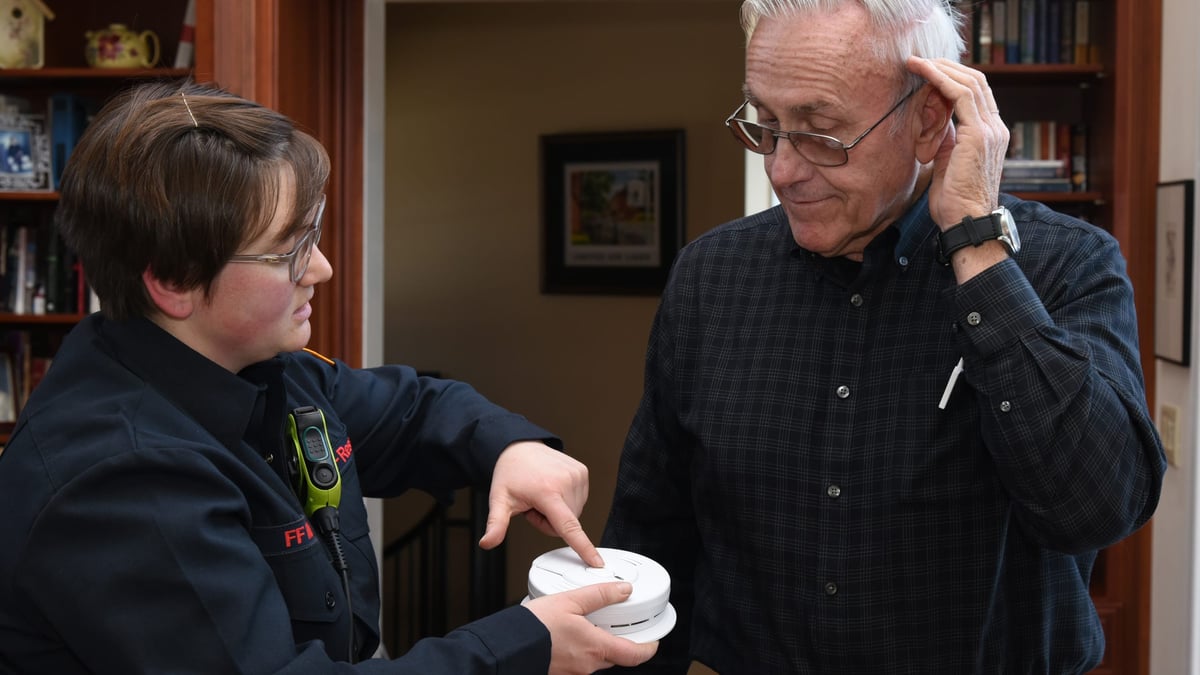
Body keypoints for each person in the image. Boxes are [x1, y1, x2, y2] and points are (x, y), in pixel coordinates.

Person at [0, 79, 657, 674]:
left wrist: (508, 446)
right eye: (291, 250)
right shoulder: (122, 483)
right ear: (174, 281)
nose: (322, 269)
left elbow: (413, 411)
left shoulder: (257, 367)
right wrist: (525, 644)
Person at [601, 1, 1166, 673]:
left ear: (929, 120)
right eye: (767, 125)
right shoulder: (709, 278)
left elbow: (1096, 507)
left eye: (820, 133)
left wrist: (977, 251)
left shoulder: (1066, 264)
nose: (781, 169)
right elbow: (650, 534)